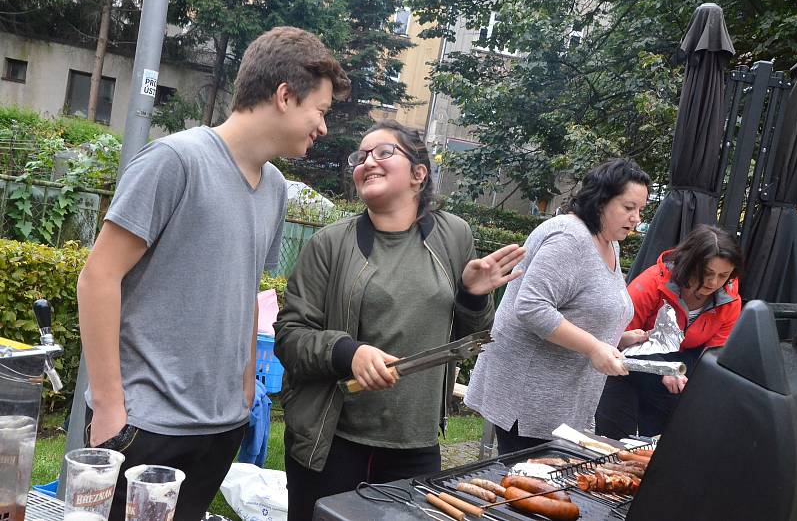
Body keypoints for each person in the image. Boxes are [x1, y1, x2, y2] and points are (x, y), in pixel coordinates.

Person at [76, 26, 350, 520]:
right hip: (145, 424)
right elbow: (98, 277)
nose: (323, 127)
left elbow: (245, 293)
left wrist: (245, 389)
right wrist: (111, 404)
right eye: (321, 111)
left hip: (220, 426)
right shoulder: (176, 161)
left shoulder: (275, 189)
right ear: (285, 96)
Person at [274, 120, 526, 520]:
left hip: (415, 443)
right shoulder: (331, 243)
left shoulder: (453, 236)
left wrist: (473, 296)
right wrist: (348, 353)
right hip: (334, 440)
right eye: (361, 156)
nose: (366, 162)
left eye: (383, 152)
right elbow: (290, 336)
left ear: (418, 174)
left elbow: (472, 338)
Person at [464, 158, 651, 455]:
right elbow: (532, 306)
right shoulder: (569, 237)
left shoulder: (609, 242)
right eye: (628, 208)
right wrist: (593, 347)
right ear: (601, 201)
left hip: (562, 400)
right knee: (523, 487)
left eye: (640, 210)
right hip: (528, 399)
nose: (636, 218)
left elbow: (579, 307)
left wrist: (617, 337)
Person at [594, 224, 743, 439]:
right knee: (611, 446)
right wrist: (662, 367)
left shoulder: (730, 300)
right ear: (689, 263)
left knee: (663, 450)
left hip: (677, 377)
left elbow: (713, 356)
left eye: (724, 275)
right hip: (626, 369)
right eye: (708, 273)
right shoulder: (652, 283)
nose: (713, 282)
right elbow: (617, 337)